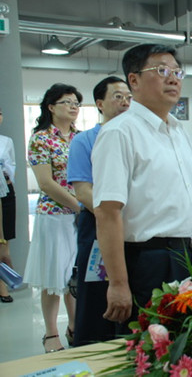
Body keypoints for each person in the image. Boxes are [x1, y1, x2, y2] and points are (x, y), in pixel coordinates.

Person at [92, 44, 192, 332]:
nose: (173, 79)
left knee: (188, 346)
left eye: (177, 72)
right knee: (151, 346)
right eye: (162, 70)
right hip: (149, 261)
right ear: (134, 80)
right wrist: (118, 283)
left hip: (187, 257)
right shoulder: (119, 132)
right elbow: (107, 212)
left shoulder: (177, 131)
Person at [66, 76, 131, 346]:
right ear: (100, 104)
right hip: (98, 224)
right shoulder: (84, 141)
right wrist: (114, 215)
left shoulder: (135, 137)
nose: (125, 102)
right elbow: (83, 191)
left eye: (129, 97)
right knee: (97, 295)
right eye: (118, 96)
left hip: (132, 227)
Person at [24, 83, 82, 352]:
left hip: (80, 215)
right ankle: (51, 334)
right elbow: (46, 183)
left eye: (76, 103)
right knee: (52, 278)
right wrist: (78, 205)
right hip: (54, 216)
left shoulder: (80, 138)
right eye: (66, 102)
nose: (73, 107)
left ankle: (75, 327)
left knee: (74, 277)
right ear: (51, 107)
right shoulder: (41, 138)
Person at [0, 107, 16, 303]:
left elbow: (12, 164)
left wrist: (9, 177)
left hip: (5, 191)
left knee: (5, 240)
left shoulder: (6, 141)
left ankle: (4, 281)